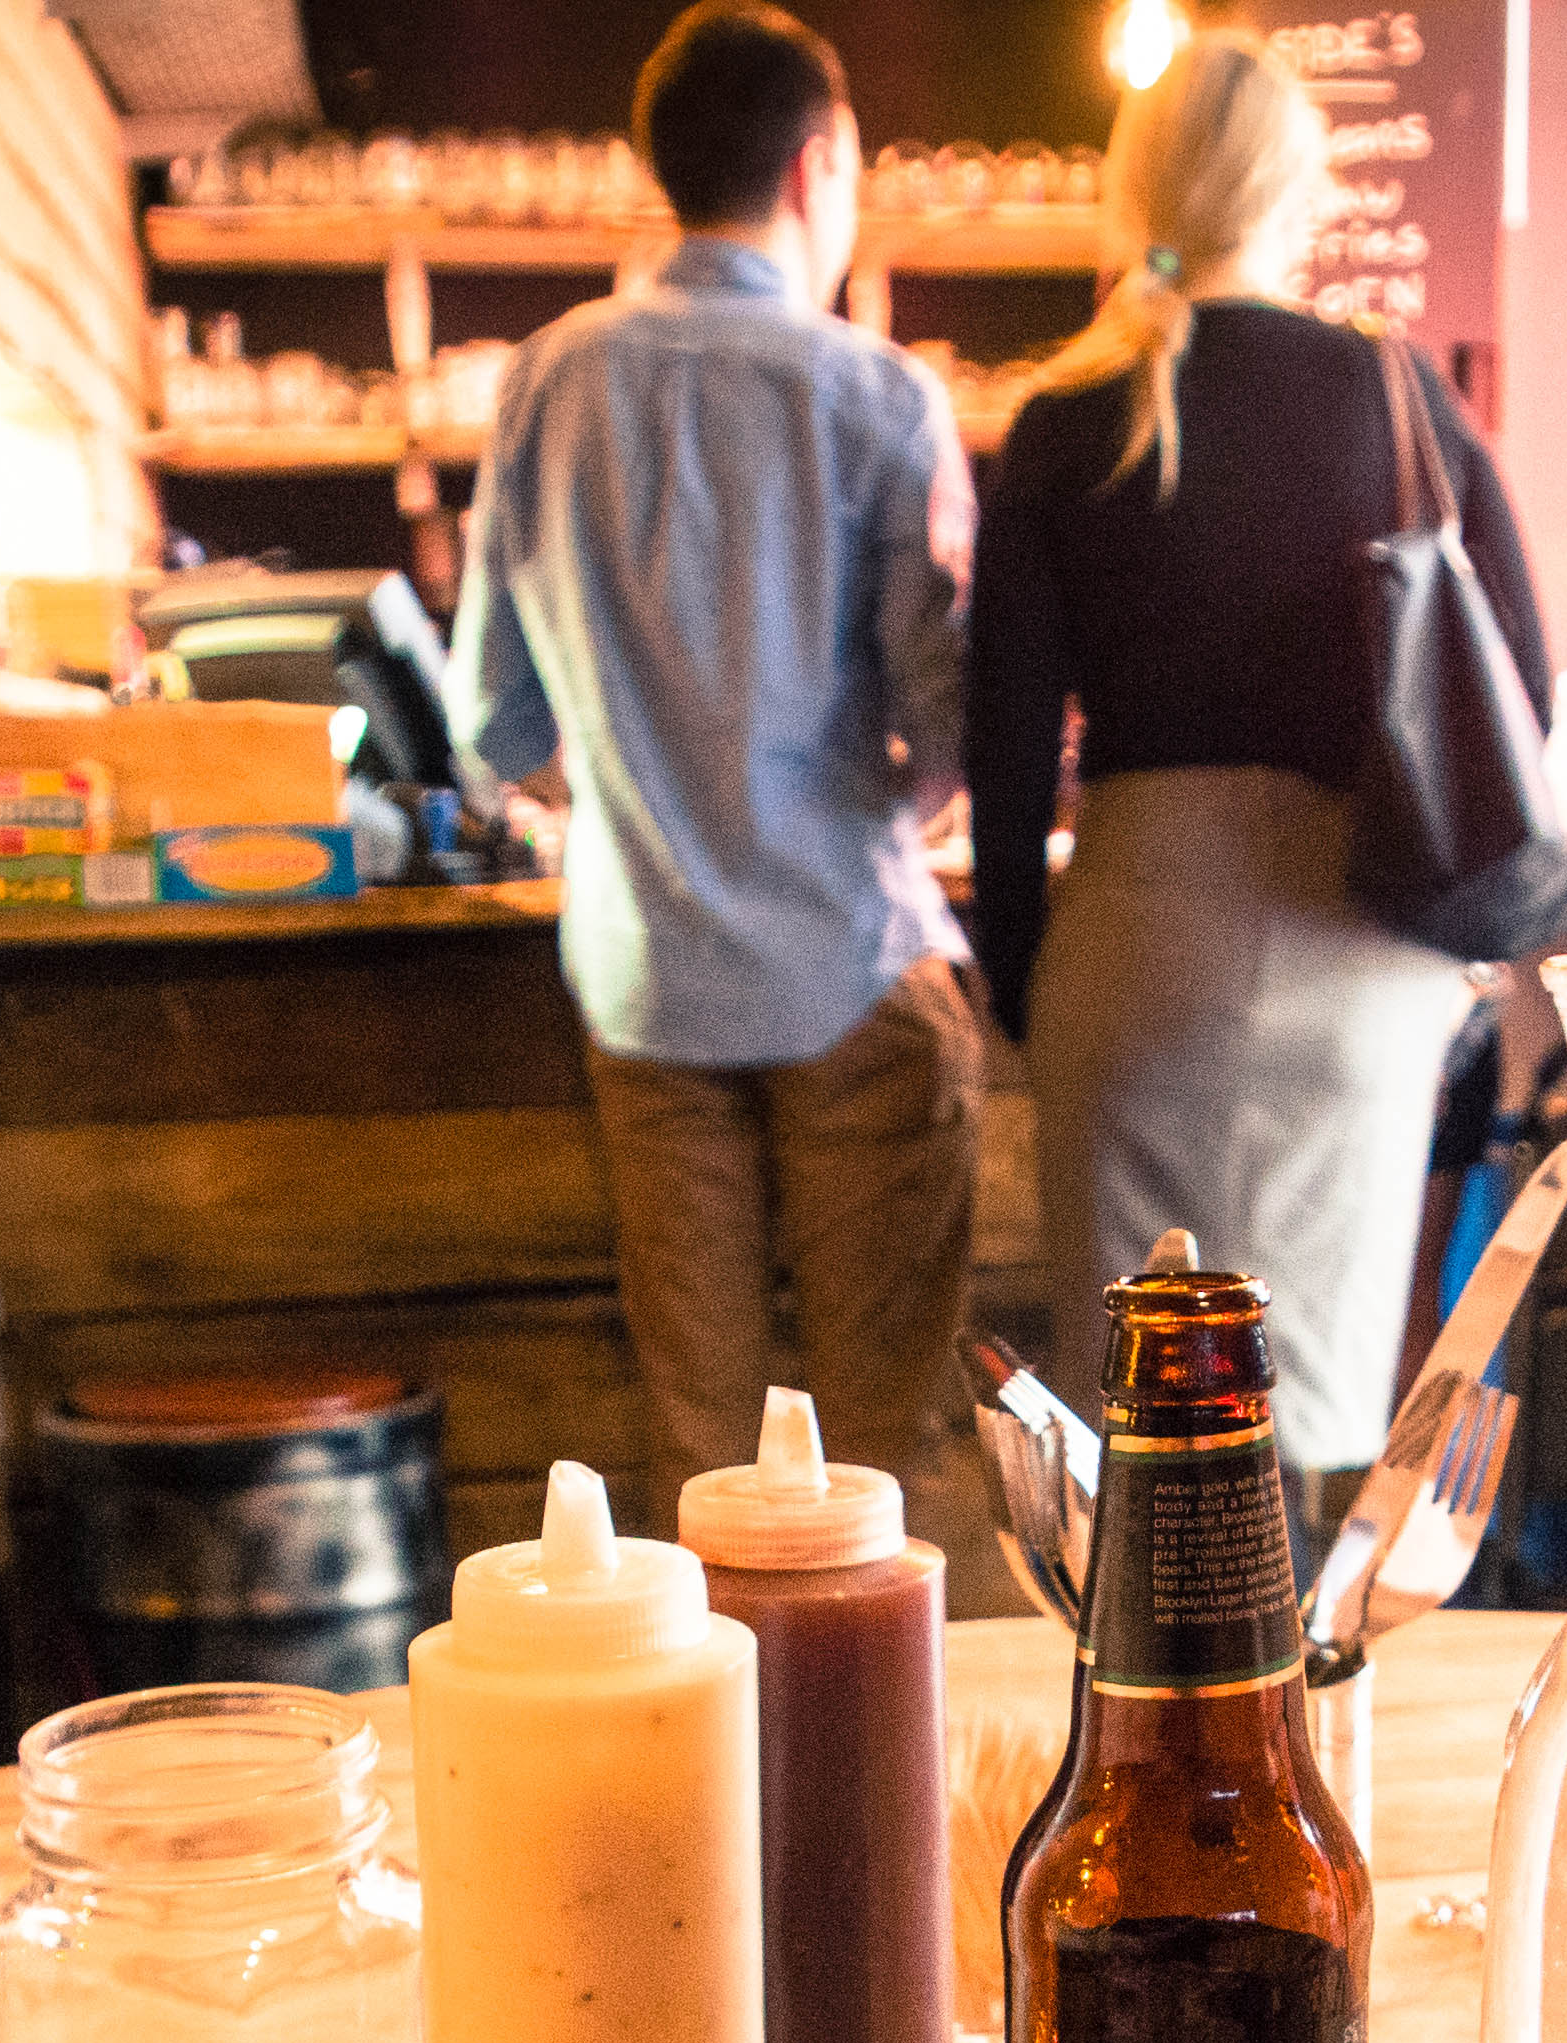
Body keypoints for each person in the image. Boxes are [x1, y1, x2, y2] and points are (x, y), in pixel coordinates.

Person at [964, 29, 1550, 1502]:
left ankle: (1155, 1656)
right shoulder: (1392, 395)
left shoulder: (1063, 425)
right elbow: (1520, 693)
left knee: (1146, 1445)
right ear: (1299, 190)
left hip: (1133, 956)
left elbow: (1006, 756)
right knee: (1321, 1425)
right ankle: (1316, 1652)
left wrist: (1028, 988)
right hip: (1358, 957)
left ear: (1133, 190)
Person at [449, 1, 979, 1528]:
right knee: (879, 1468)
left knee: (706, 1471)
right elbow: (950, 719)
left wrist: (636, 797)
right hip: (851, 964)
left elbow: (496, 720)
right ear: (819, 166)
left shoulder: (545, 380)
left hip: (647, 986)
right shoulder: (877, 394)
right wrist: (889, 802)